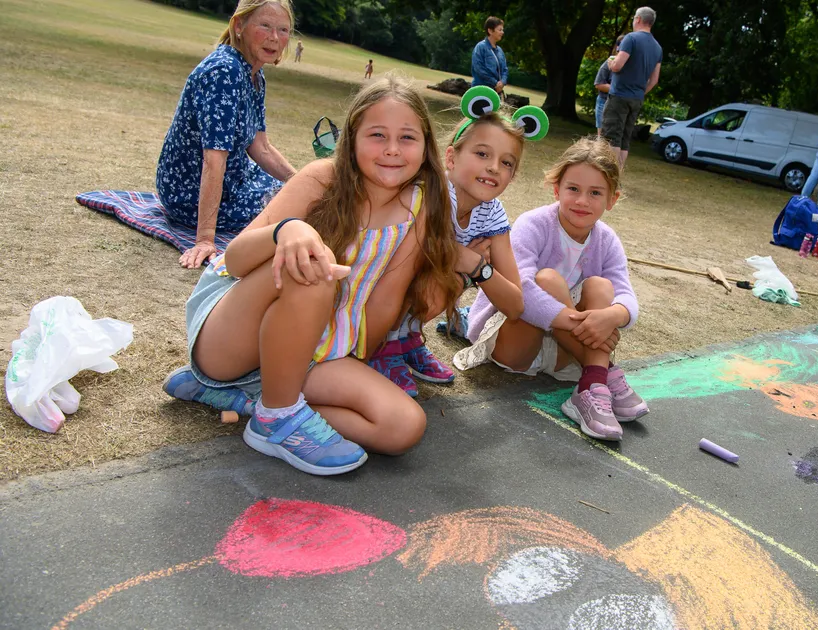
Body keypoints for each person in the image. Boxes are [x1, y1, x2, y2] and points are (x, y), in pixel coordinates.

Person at [160, 73, 458, 475]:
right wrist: (287, 232)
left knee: (403, 427)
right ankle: (274, 418)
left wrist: (359, 364)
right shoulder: (323, 178)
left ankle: (249, 399)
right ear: (351, 139)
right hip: (233, 338)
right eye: (376, 135)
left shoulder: (418, 204)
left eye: (407, 137)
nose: (391, 150)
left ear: (426, 147)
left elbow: (387, 298)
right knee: (316, 273)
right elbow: (236, 258)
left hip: (319, 350)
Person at [453, 138, 647, 442]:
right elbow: (522, 295)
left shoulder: (607, 240)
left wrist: (613, 316)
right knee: (547, 281)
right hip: (515, 344)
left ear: (612, 199)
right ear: (557, 190)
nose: (582, 200)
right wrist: (582, 323)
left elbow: (626, 296)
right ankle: (602, 371)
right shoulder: (533, 224)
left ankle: (591, 386)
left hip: (565, 352)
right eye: (573, 189)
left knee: (602, 287)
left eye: (595, 193)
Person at [369, 88, 548, 396]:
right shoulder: (429, 193)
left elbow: (515, 304)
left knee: (454, 275)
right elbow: (404, 256)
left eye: (507, 163)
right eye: (482, 154)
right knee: (440, 273)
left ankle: (405, 337)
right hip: (373, 292)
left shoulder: (492, 214)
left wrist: (474, 265)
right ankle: (380, 345)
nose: (494, 167)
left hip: (418, 289)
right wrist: (454, 256)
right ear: (450, 157)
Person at [156, 0, 298, 269]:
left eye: (283, 30)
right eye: (265, 26)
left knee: (297, 194)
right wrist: (205, 239)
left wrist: (300, 180)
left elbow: (261, 147)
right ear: (239, 25)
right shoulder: (225, 72)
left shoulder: (254, 73)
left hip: (235, 178)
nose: (274, 37)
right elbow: (213, 159)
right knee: (292, 210)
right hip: (188, 192)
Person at [602, 7, 662, 170]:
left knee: (612, 136)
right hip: (637, 98)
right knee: (624, 139)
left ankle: (609, 174)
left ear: (638, 19)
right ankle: (618, 173)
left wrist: (611, 63)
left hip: (619, 95)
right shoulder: (657, 48)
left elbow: (617, 66)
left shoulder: (631, 39)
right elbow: (654, 79)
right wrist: (640, 93)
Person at [593, 37, 625, 135]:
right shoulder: (609, 62)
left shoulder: (632, 66)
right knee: (602, 137)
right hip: (604, 102)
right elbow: (599, 84)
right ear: (618, 47)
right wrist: (620, 89)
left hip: (622, 105)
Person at [471, 17, 508, 96]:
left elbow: (505, 70)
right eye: (500, 30)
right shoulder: (480, 47)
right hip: (480, 91)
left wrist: (502, 82)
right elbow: (479, 68)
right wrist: (495, 83)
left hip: (495, 93)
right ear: (490, 31)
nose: (502, 32)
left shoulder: (500, 51)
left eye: (502, 30)